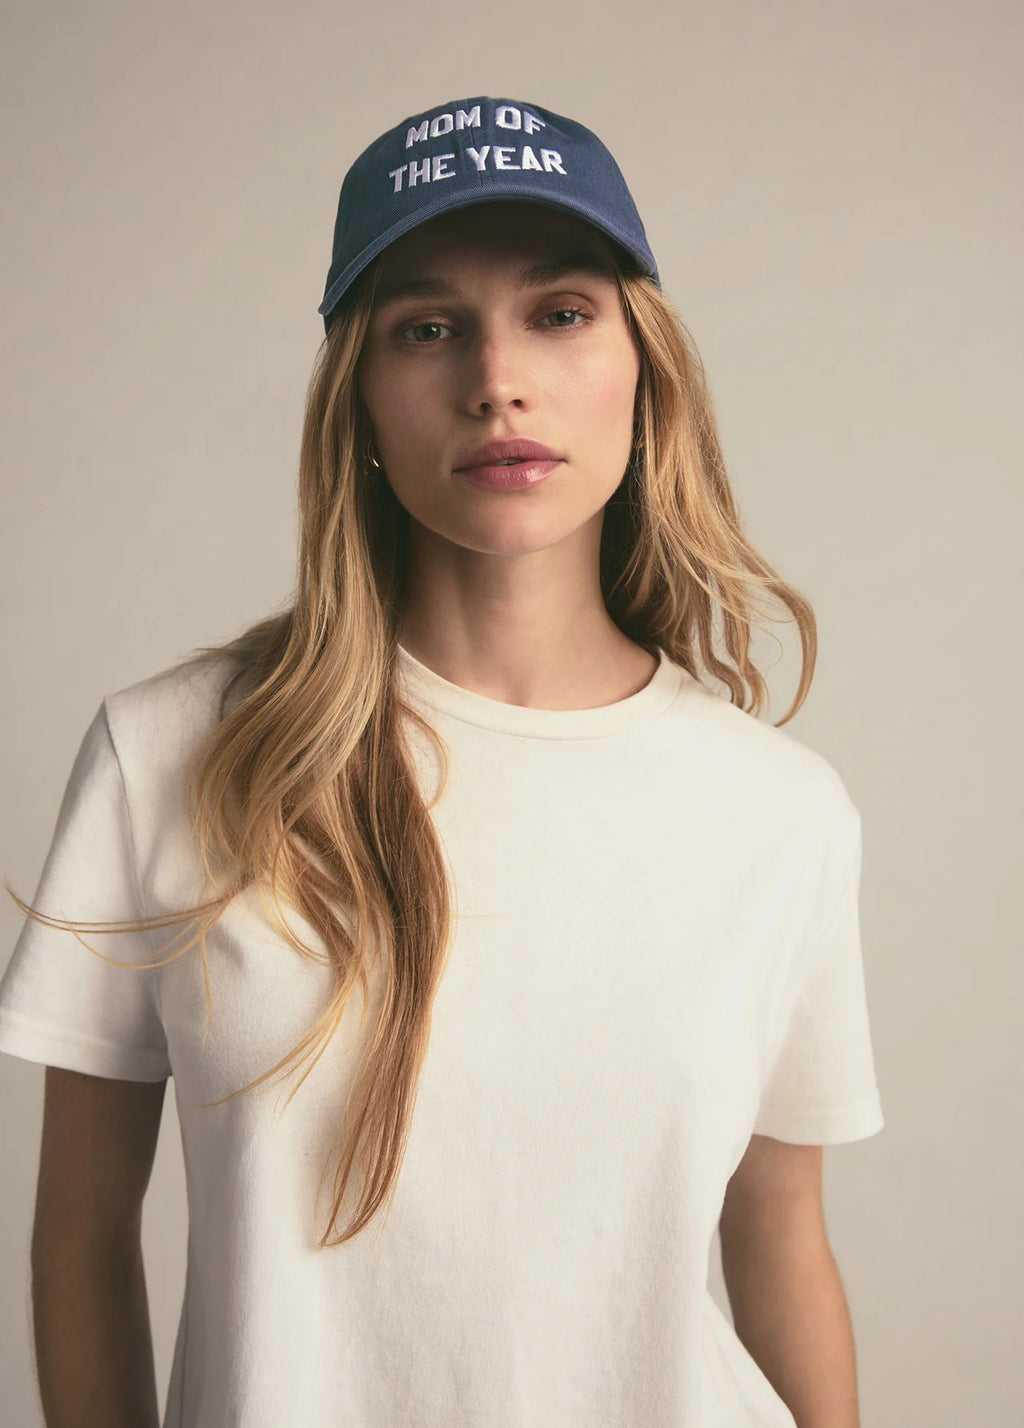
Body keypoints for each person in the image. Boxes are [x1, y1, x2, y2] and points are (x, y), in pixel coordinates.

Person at [0, 94, 885, 1428]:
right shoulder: (174, 756)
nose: (496, 377)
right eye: (427, 327)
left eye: (561, 311)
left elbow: (780, 1248)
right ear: (358, 390)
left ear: (644, 369)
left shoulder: (777, 813)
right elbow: (77, 1239)